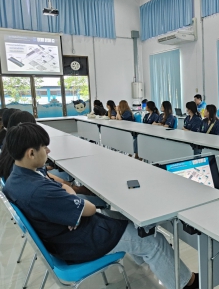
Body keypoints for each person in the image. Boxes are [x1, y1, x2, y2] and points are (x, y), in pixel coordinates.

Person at [2, 123, 199, 289]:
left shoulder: (17, 178)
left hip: (64, 234)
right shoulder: (38, 191)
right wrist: (73, 200)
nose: (48, 151)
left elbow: (67, 193)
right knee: (153, 240)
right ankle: (187, 283)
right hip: (78, 241)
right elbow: (88, 209)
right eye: (44, 147)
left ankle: (144, 257)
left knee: (128, 219)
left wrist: (70, 198)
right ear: (30, 153)